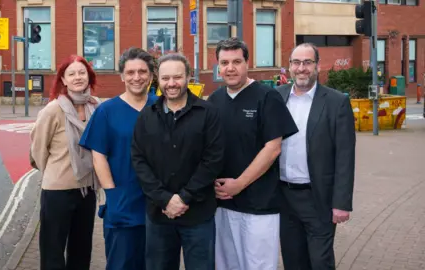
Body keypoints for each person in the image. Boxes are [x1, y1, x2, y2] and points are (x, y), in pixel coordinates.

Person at [207, 37, 298, 270]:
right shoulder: (214, 100)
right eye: (224, 62)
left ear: (247, 63)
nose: (230, 68)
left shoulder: (267, 97)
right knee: (226, 265)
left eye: (236, 61)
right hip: (222, 204)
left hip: (259, 204)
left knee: (258, 266)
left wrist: (239, 184)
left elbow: (273, 148)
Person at [131, 53, 224, 270]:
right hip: (159, 216)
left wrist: (184, 198)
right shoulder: (146, 116)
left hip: (198, 214)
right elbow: (139, 160)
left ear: (189, 77)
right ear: (158, 79)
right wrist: (164, 199)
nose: (171, 83)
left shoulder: (208, 113)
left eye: (177, 77)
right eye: (165, 78)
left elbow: (213, 160)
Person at [276, 43, 356, 270]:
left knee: (320, 262)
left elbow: (345, 156)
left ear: (317, 66)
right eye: (296, 62)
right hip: (284, 197)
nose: (301, 68)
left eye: (307, 62)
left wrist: (341, 203)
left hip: (318, 199)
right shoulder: (276, 97)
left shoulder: (336, 102)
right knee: (293, 261)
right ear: (289, 67)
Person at [79, 47, 158, 270]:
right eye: (131, 72)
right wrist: (111, 193)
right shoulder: (107, 111)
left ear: (151, 75)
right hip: (122, 202)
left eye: (142, 71)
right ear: (122, 76)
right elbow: (99, 157)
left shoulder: (160, 108)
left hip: (158, 203)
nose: (137, 77)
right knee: (121, 264)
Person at [30, 55, 101, 270]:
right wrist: (56, 172)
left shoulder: (96, 107)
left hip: (87, 190)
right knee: (53, 251)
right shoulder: (53, 110)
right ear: (63, 80)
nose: (78, 77)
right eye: (72, 74)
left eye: (82, 73)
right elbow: (38, 150)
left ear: (89, 77)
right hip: (57, 192)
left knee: (82, 250)